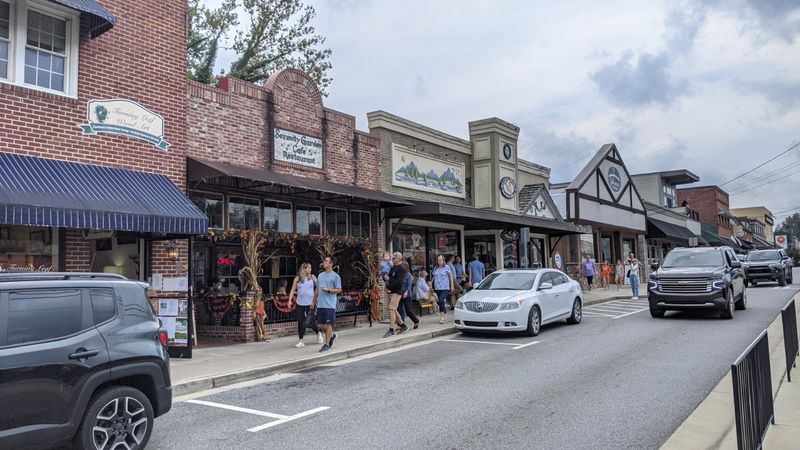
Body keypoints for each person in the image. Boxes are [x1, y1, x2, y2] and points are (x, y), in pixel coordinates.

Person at [287, 262, 323, 348]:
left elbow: (319, 288)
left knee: (312, 321)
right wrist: (289, 300)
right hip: (300, 303)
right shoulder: (297, 279)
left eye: (310, 268)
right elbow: (292, 290)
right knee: (301, 321)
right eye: (309, 268)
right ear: (304, 269)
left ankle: (318, 332)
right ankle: (301, 340)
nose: (310, 269)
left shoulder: (312, 277)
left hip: (310, 303)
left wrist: (316, 298)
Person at [313, 256, 342, 352]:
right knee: (321, 325)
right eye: (324, 261)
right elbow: (317, 288)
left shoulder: (336, 276)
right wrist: (314, 299)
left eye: (326, 261)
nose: (324, 262)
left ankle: (326, 344)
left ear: (331, 264)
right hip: (320, 304)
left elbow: (339, 290)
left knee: (328, 324)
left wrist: (329, 290)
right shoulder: (320, 275)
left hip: (330, 304)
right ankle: (332, 335)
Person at [383, 252, 408, 337]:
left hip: (397, 292)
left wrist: (388, 286)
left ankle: (391, 329)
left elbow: (399, 281)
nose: (392, 259)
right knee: (393, 309)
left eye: (394, 258)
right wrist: (385, 277)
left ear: (398, 259)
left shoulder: (402, 268)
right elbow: (389, 276)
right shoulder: (393, 267)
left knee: (391, 309)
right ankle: (403, 325)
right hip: (391, 291)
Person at [432, 254, 454, 324]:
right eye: (438, 260)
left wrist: (452, 286)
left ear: (443, 260)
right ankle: (445, 316)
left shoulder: (447, 267)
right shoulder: (435, 268)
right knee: (439, 302)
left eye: (441, 260)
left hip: (445, 287)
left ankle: (441, 317)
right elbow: (433, 277)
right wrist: (430, 285)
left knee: (441, 301)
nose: (440, 261)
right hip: (437, 288)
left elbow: (451, 277)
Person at [399, 261, 420, 329]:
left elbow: (409, 286)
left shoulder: (409, 276)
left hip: (407, 295)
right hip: (399, 294)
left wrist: (406, 292)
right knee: (399, 310)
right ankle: (401, 323)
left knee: (408, 310)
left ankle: (416, 321)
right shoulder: (400, 274)